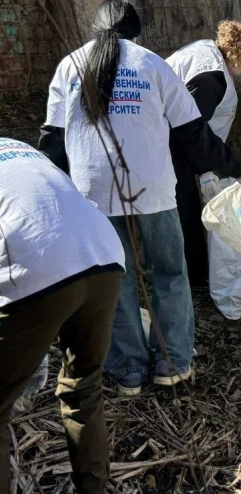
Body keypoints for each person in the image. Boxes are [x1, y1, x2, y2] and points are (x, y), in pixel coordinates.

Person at [39, 0, 241, 396]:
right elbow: (195, 135)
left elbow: (52, 141)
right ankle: (173, 363)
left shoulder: (70, 66)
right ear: (136, 31)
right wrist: (239, 169)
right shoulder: (152, 65)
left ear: (96, 29)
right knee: (170, 273)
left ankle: (128, 370)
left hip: (92, 194)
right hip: (156, 189)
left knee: (116, 278)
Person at [0, 139, 125, 494]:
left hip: (36, 265)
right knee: (84, 384)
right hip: (103, 252)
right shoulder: (19, 147)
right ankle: (94, 488)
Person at [166, 20, 241, 287]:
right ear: (237, 58)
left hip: (172, 138)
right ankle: (194, 277)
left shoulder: (207, 52)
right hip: (168, 143)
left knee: (186, 206)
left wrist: (206, 168)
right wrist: (233, 168)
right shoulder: (212, 77)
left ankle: (193, 272)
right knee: (185, 208)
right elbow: (193, 132)